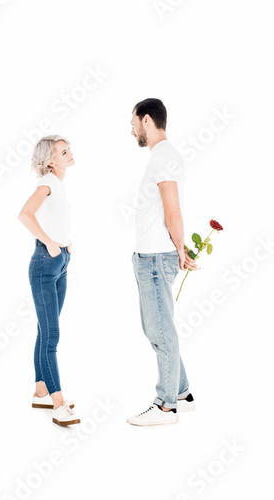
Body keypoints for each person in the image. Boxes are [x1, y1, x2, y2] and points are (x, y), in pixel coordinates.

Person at [126, 99, 197, 426]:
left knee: (161, 330)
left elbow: (173, 211)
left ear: (147, 120)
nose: (132, 130)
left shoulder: (164, 157)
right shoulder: (161, 157)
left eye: (133, 123)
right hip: (150, 257)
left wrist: (180, 249)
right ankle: (181, 393)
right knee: (155, 327)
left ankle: (166, 406)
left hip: (155, 258)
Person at [18, 135, 80, 426]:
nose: (70, 154)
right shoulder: (47, 183)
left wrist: (65, 243)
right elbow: (24, 215)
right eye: (64, 152)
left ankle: (41, 390)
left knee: (45, 332)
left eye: (69, 149)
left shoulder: (59, 184)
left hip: (60, 262)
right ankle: (58, 403)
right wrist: (49, 242)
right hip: (45, 262)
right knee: (52, 336)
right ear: (51, 160)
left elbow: (53, 219)